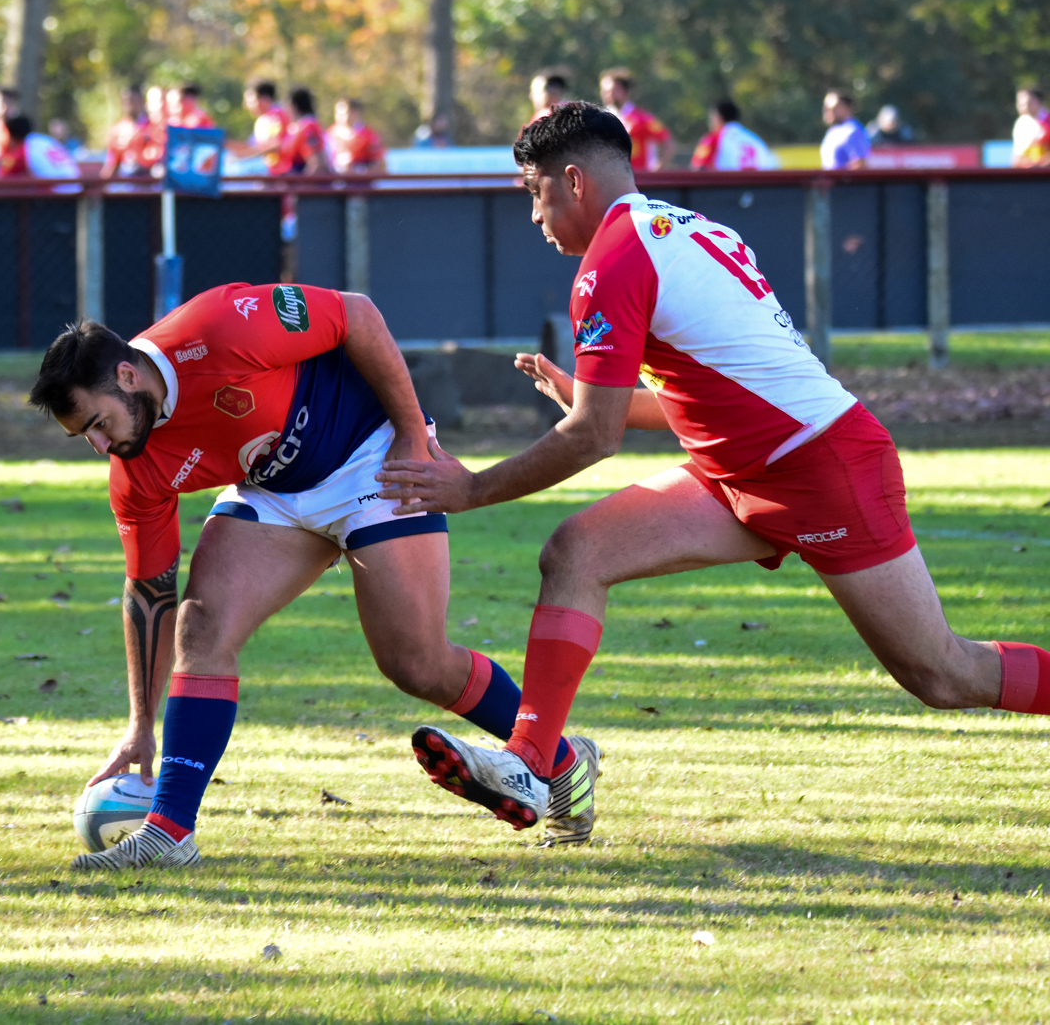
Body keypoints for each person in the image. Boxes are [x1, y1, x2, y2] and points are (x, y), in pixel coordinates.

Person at [376, 102, 1050, 833]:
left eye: (533, 193)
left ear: (572, 181)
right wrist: (589, 395)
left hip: (821, 469)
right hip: (742, 472)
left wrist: (471, 487)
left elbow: (590, 441)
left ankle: (536, 764)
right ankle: (538, 766)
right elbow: (706, 394)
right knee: (575, 552)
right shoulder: (687, 228)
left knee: (942, 674)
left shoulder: (613, 262)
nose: (534, 216)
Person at [28, 285, 603, 870]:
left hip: (372, 454)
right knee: (200, 630)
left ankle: (556, 761)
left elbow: (357, 314)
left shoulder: (220, 327)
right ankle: (169, 831)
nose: (101, 447)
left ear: (128, 375)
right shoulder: (135, 467)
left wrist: (410, 431)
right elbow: (151, 596)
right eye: (86, 438)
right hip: (274, 489)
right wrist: (139, 726)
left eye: (98, 425)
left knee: (417, 665)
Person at [598, 68, 671, 171]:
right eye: (604, 91)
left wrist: (659, 168)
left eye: (611, 90)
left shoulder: (642, 118)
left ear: (625, 91)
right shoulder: (602, 119)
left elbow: (668, 143)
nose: (606, 95)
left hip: (640, 180)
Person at [689, 101, 778, 171]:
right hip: (758, 191)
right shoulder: (756, 140)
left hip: (728, 191)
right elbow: (773, 166)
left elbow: (698, 168)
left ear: (718, 117)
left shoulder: (713, 139)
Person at [230, 81, 291, 173]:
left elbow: (276, 147)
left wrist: (245, 156)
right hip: (268, 168)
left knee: (233, 171)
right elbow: (252, 147)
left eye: (250, 101)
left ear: (264, 99)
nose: (246, 106)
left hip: (278, 169)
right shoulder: (265, 118)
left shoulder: (275, 116)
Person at [102, 85, 150, 178]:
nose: (129, 105)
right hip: (127, 179)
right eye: (126, 102)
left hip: (149, 178)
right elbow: (111, 163)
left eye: (133, 101)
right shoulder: (117, 130)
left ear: (142, 102)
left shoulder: (153, 127)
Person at [328, 98, 387, 174]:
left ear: (355, 113)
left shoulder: (368, 135)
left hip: (360, 183)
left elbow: (381, 166)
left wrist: (358, 171)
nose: (340, 117)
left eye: (344, 113)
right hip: (336, 182)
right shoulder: (331, 133)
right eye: (338, 113)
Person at [279, 87, 329, 175]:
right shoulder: (298, 127)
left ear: (294, 106)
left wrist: (300, 185)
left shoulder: (308, 127)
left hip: (310, 185)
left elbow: (317, 164)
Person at [820, 89, 870, 170]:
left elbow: (860, 164)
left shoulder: (852, 131)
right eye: (825, 108)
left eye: (832, 107)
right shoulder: (833, 131)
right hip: (830, 181)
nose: (827, 111)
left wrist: (839, 178)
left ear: (846, 107)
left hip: (844, 181)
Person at [1011, 87, 1050, 168]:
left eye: (1028, 103)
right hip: (1030, 175)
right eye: (1020, 104)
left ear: (1039, 102)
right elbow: (1017, 157)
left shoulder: (1047, 122)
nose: (1024, 107)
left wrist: (1041, 165)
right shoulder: (1021, 124)